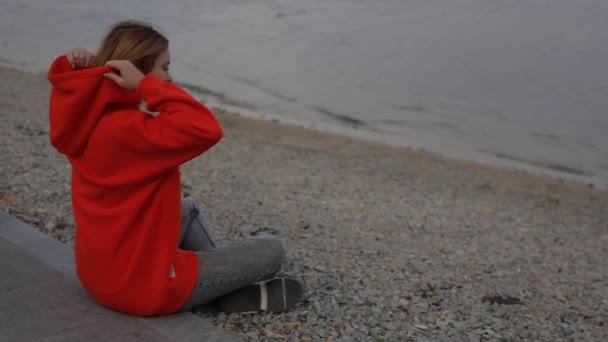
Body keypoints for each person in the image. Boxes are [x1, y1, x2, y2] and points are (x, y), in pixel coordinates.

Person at [47, 20, 304, 317]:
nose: (169, 79)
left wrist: (81, 72)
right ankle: (224, 294)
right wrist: (146, 87)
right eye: (164, 67)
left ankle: (220, 288)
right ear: (137, 71)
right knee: (271, 248)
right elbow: (206, 128)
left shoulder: (87, 122)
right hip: (143, 288)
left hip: (99, 277)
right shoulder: (128, 130)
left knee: (189, 209)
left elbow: (73, 97)